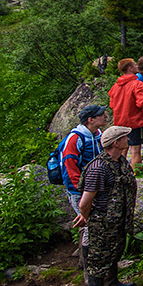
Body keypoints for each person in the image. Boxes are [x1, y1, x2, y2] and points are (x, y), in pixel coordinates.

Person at [73, 125, 139, 286]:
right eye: (124, 138)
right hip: (102, 222)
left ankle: (111, 284)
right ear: (116, 143)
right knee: (98, 258)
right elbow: (85, 201)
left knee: (115, 250)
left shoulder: (119, 162)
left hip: (117, 220)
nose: (128, 139)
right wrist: (85, 217)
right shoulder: (98, 168)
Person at [63, 105, 106, 271]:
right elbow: (69, 166)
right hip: (80, 191)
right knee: (90, 224)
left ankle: (87, 262)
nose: (105, 116)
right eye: (100, 115)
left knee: (90, 224)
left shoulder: (97, 135)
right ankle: (90, 270)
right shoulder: (76, 138)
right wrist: (80, 191)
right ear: (91, 120)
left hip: (93, 188)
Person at [108, 58, 143, 167]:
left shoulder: (115, 86)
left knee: (122, 149)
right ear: (130, 68)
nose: (137, 66)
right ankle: (136, 176)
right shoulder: (137, 84)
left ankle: (120, 171)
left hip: (119, 122)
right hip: (135, 122)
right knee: (135, 150)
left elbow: (112, 105)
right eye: (134, 65)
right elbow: (141, 103)